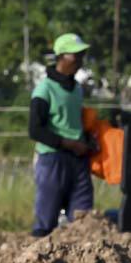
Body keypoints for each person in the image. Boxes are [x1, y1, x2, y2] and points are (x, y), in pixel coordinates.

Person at [28, 33, 95, 237]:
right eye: (76, 55)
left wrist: (86, 140)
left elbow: (73, 121)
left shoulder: (77, 90)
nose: (80, 60)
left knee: (83, 218)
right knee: (46, 221)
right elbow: (35, 130)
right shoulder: (44, 90)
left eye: (82, 55)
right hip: (53, 159)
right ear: (61, 57)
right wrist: (69, 144)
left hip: (78, 159)